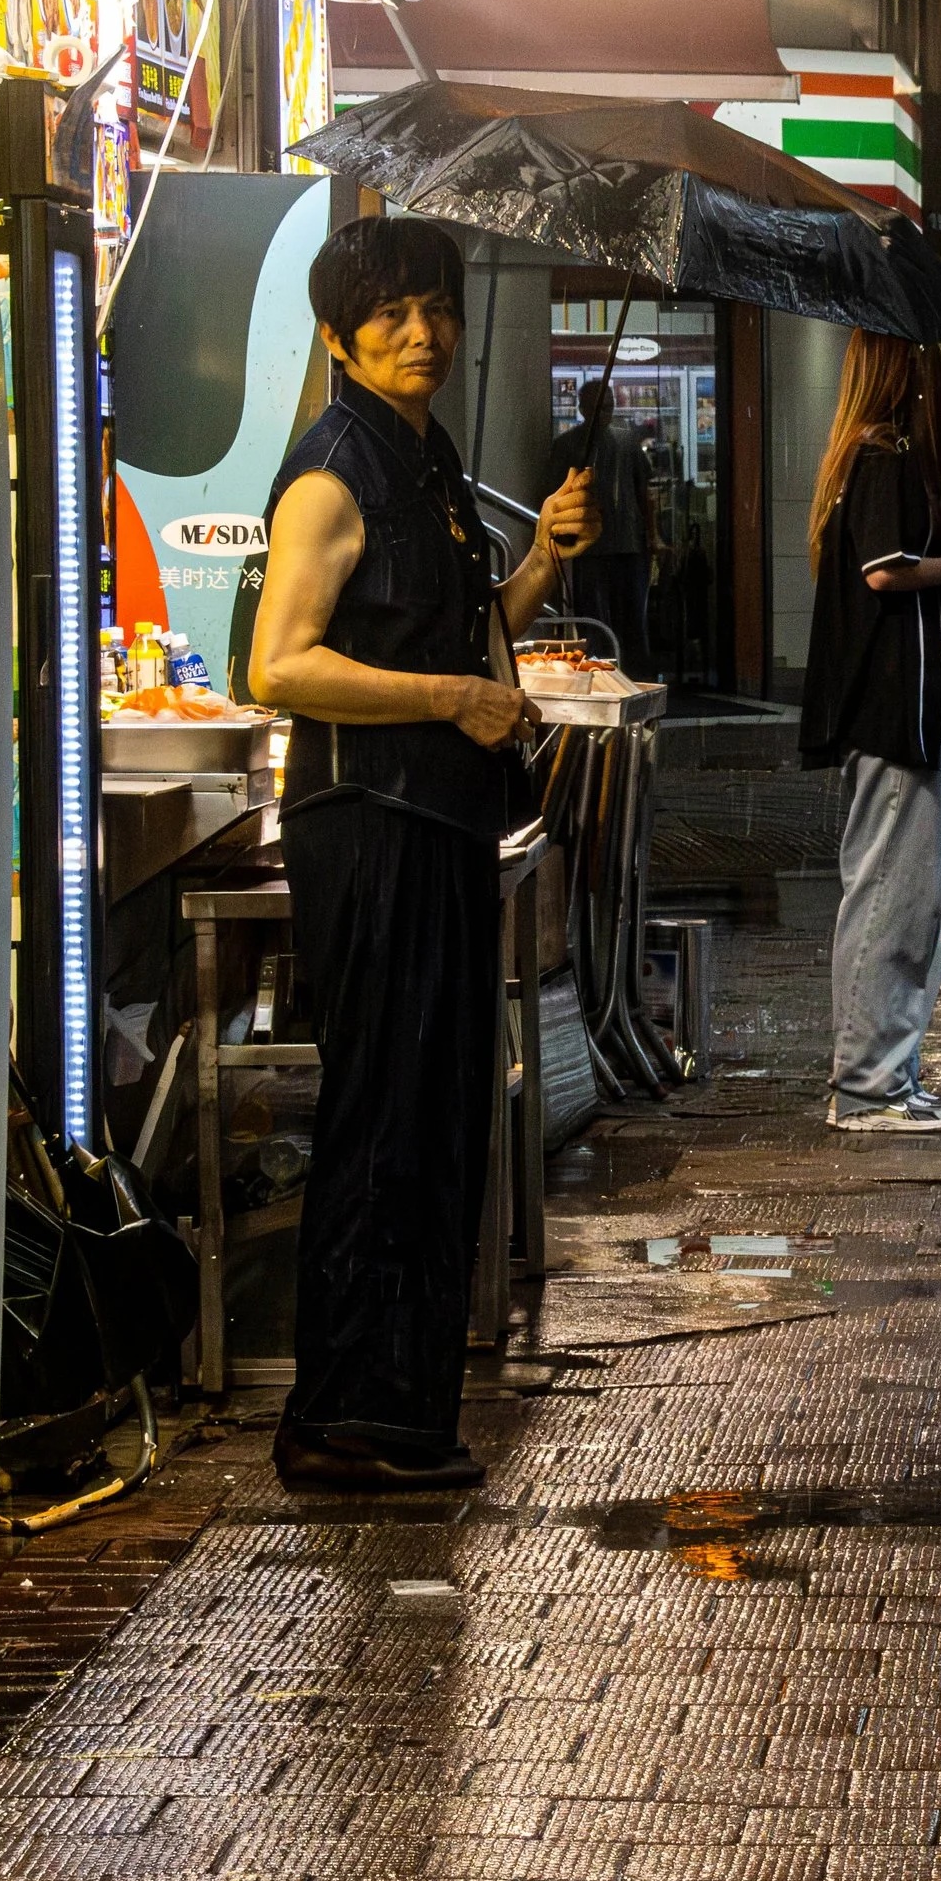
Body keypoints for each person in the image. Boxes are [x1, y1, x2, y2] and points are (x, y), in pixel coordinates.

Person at [250, 216, 596, 1494]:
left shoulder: (428, 456)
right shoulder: (333, 473)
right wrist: (452, 700)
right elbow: (279, 663)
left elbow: (470, 632)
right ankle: (343, 1420)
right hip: (373, 831)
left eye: (437, 308)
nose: (423, 333)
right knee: (385, 1117)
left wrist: (541, 564)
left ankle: (402, 1412)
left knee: (439, 1115)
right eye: (391, 314)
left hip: (444, 827)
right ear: (340, 334)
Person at [801, 334, 941, 1129]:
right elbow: (884, 570)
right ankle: (868, 1086)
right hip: (889, 703)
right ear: (901, 369)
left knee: (898, 890)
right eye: (929, 360)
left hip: (890, 703)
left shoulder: (870, 458)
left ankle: (885, 1075)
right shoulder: (880, 455)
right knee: (891, 892)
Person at [541, 374, 653, 675]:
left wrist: (650, 535)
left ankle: (626, 675)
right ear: (584, 408)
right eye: (600, 406)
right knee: (600, 619)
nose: (605, 412)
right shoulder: (574, 444)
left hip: (620, 543)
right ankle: (608, 675)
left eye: (609, 405)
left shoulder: (622, 441)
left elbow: (643, 491)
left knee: (621, 619)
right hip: (595, 546)